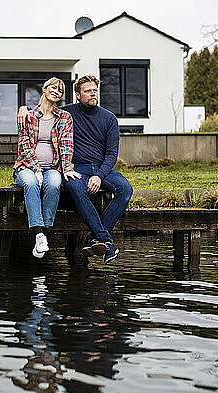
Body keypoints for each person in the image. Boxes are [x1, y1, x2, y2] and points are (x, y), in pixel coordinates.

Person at [18, 75, 133, 263]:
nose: (92, 94)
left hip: (101, 169)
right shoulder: (66, 114)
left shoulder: (109, 118)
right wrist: (23, 109)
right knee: (78, 189)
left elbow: (112, 154)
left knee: (126, 189)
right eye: (88, 91)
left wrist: (99, 176)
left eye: (95, 90)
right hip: (76, 168)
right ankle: (106, 241)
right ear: (78, 95)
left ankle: (96, 238)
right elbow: (43, 111)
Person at [13, 77, 81, 259]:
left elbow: (67, 146)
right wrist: (35, 169)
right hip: (26, 166)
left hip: (52, 167)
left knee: (54, 183)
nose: (56, 91)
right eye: (53, 87)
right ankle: (39, 233)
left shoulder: (65, 118)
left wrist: (66, 168)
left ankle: (44, 232)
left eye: (60, 90)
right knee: (31, 183)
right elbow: (24, 145)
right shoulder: (28, 115)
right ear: (44, 89)